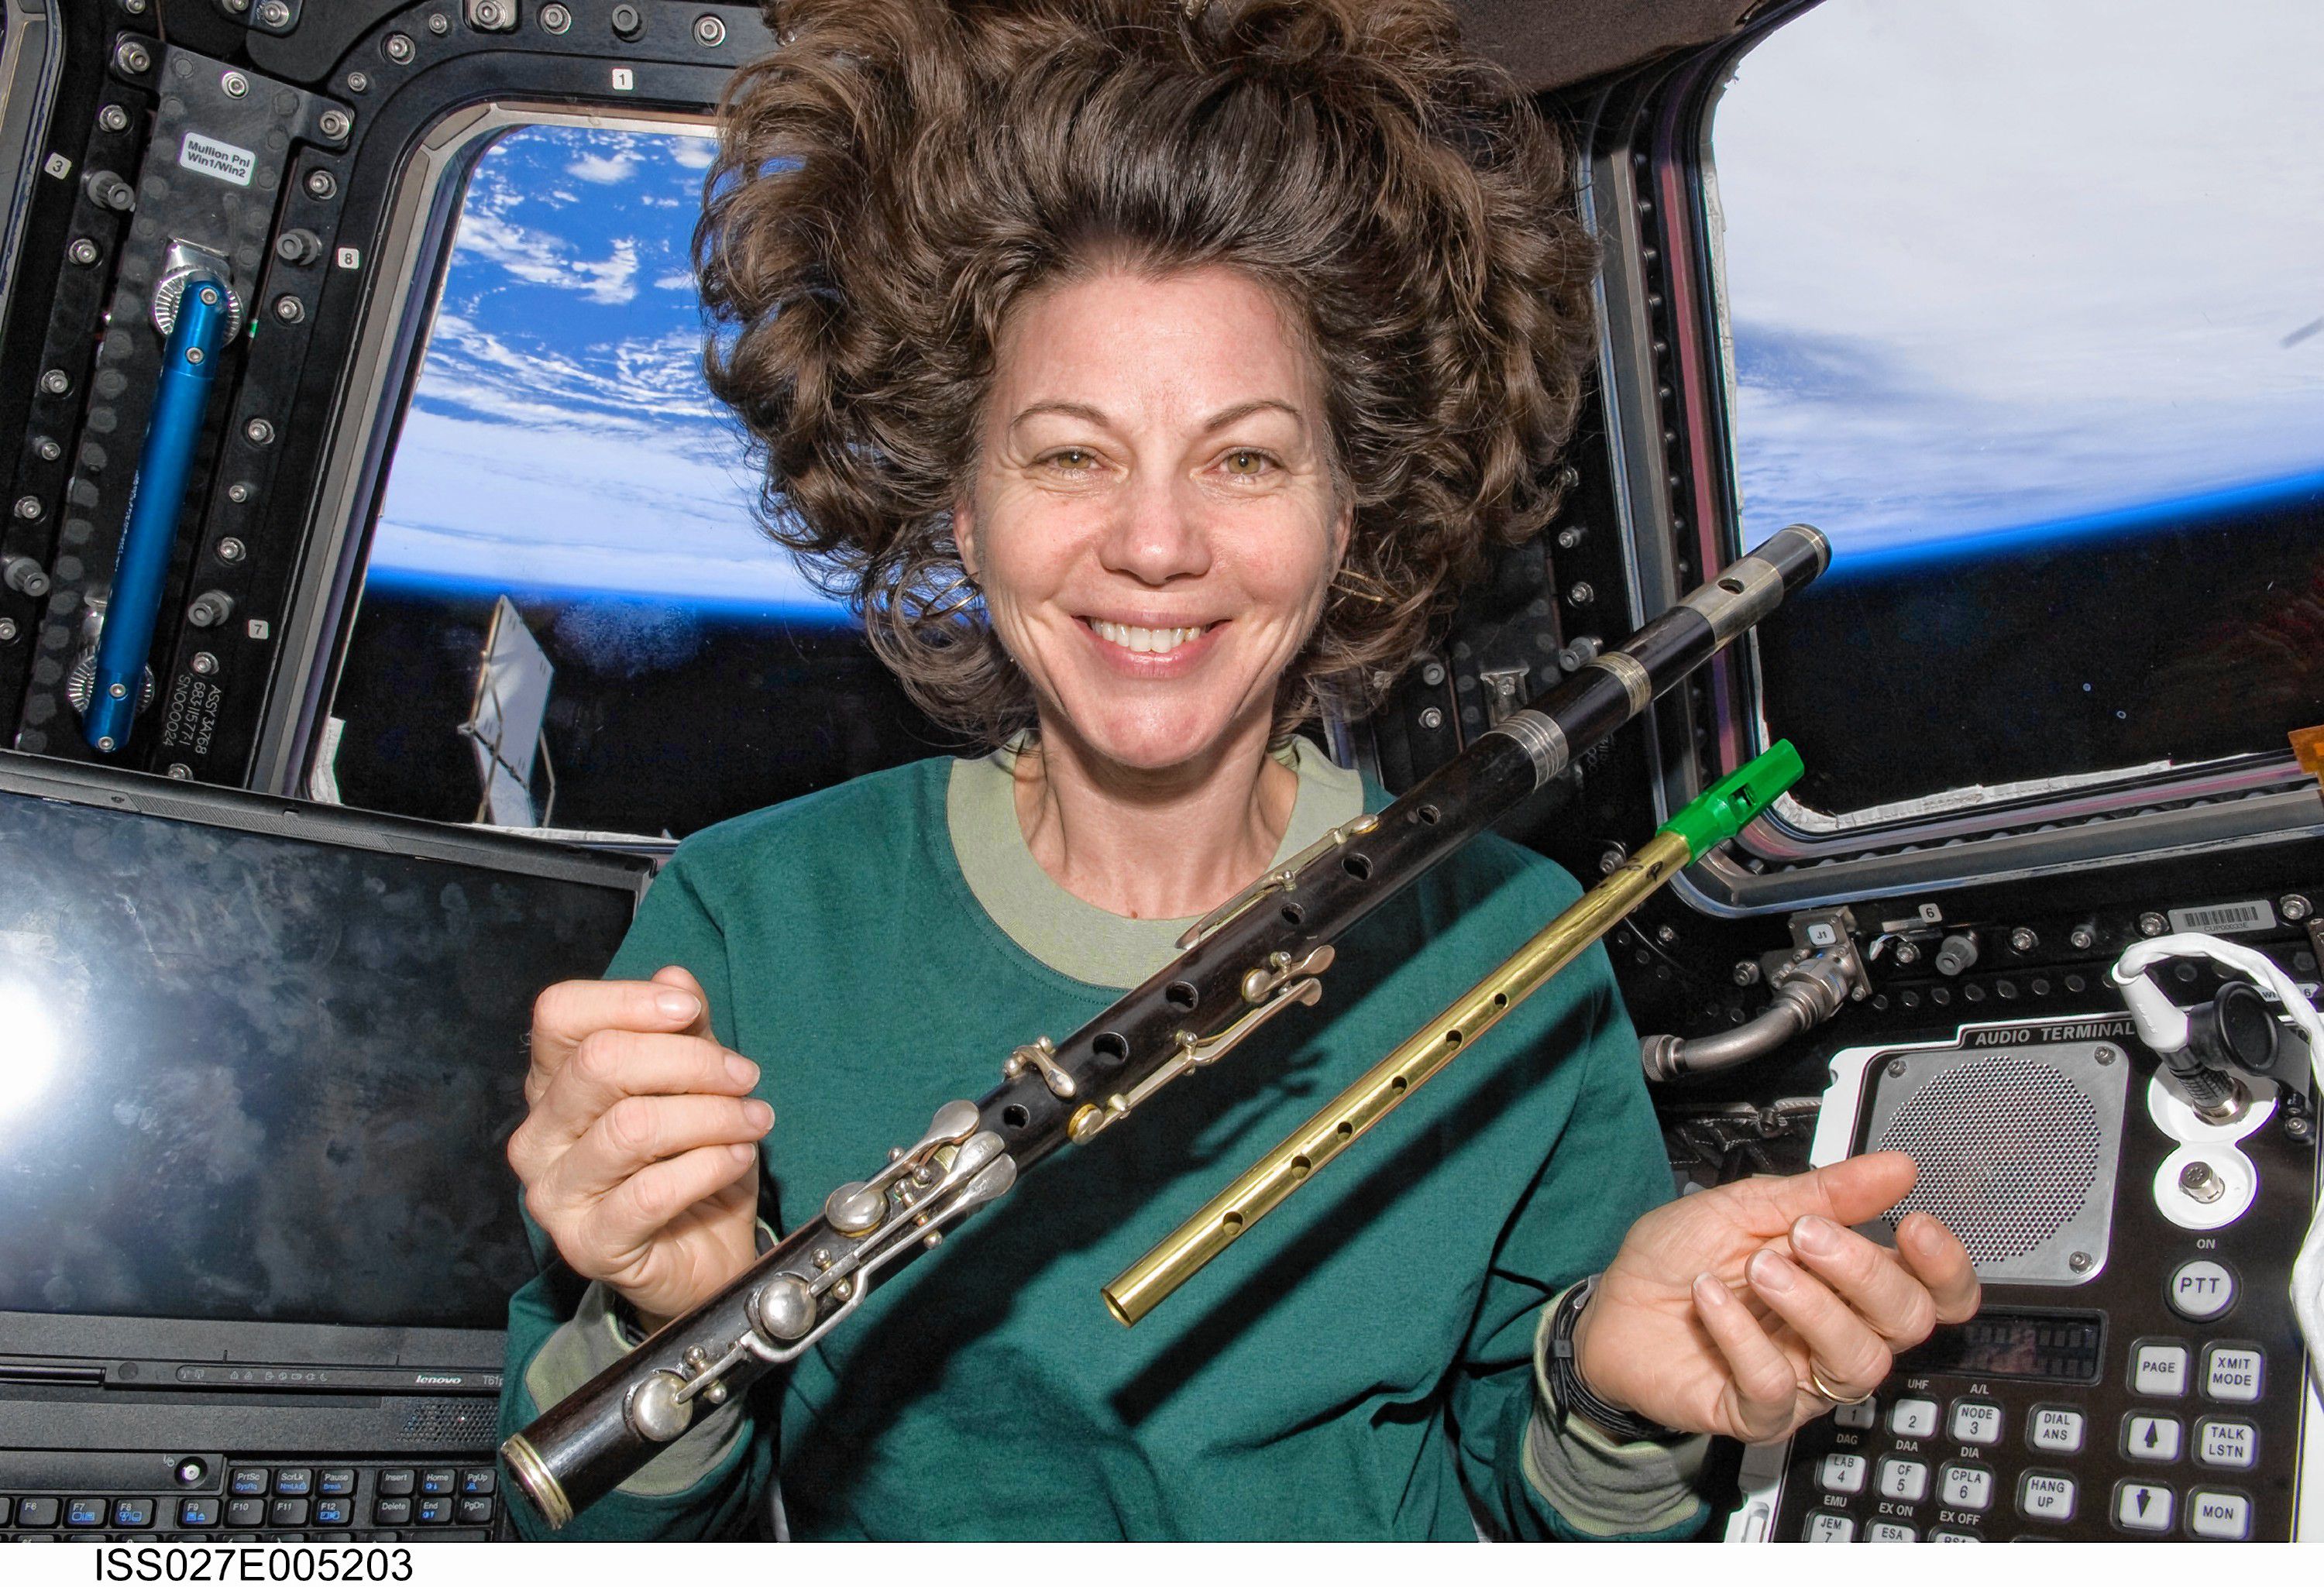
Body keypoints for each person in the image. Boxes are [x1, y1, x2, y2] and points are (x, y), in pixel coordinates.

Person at [497, 0, 1978, 1541]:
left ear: (1348, 516)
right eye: (1070, 454)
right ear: (965, 511)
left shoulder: (1515, 945)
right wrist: (660, 1325)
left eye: (1247, 458)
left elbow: (1547, 1509)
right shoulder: (744, 922)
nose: (1156, 543)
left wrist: (1611, 1398)